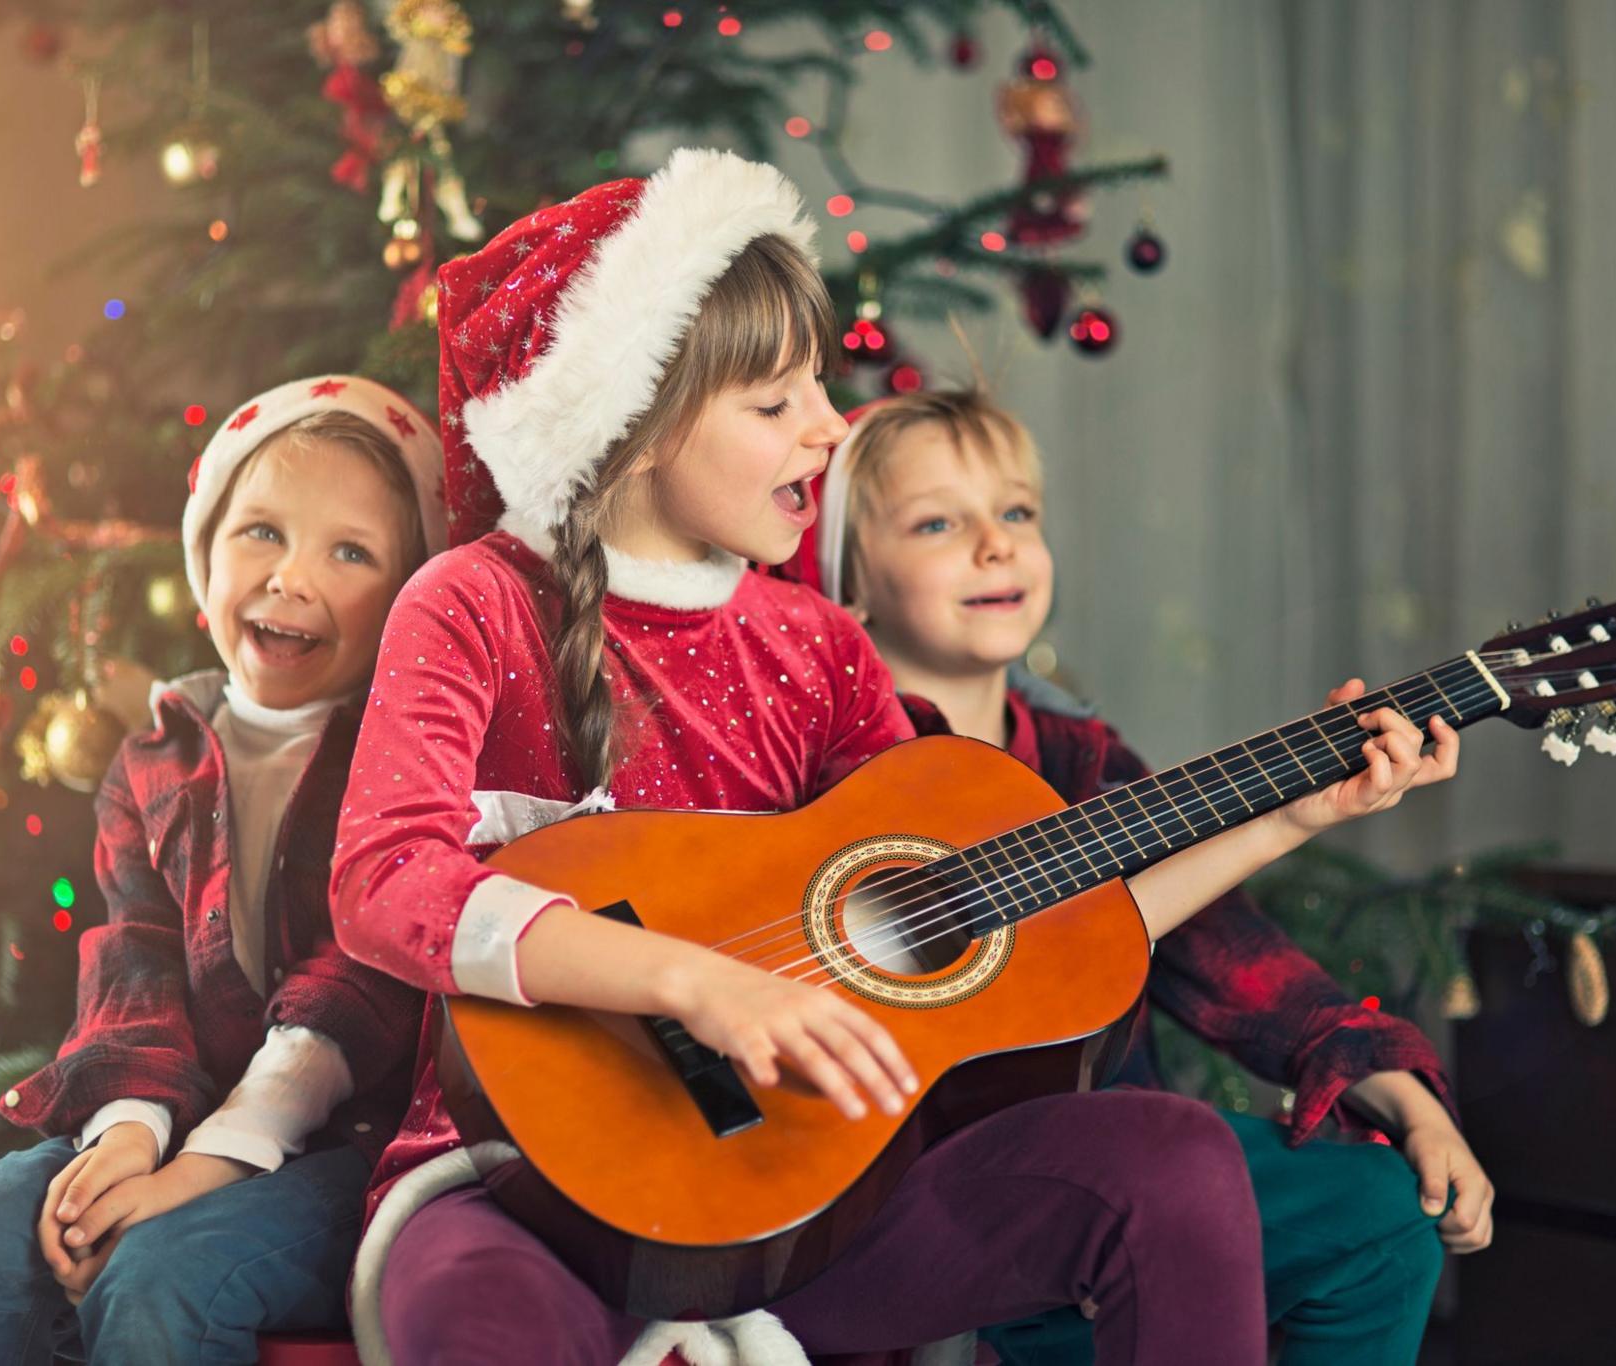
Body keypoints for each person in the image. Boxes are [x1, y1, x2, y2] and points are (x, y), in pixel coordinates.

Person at [330, 148, 1454, 1366]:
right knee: (473, 1324)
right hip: (523, 1191)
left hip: (810, 1216)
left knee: (1169, 1158)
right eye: (774, 405)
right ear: (633, 424)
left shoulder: (814, 647)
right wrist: (696, 982)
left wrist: (1288, 816)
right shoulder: (476, 603)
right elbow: (384, 878)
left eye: (818, 387)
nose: (827, 426)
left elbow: (1019, 922)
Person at [778, 384, 1493, 1364]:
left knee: (1379, 1214)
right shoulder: (830, 763)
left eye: (1016, 513)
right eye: (938, 521)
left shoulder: (1082, 758)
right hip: (917, 1187)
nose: (995, 543)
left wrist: (1406, 1100)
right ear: (847, 580)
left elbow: (1229, 957)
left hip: (1124, 1166)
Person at [0, 376, 443, 1365]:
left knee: (162, 1277)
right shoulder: (157, 756)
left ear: (407, 597)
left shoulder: (403, 755)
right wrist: (127, 1135)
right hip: (176, 1108)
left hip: (342, 1146)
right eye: (262, 532)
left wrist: (203, 1170)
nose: (289, 577)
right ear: (205, 550)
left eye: (348, 551)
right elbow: (132, 965)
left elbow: (359, 982)